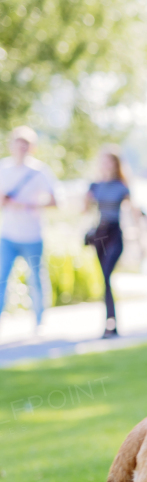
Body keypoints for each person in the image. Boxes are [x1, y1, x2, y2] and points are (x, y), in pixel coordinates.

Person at [0, 126, 58, 334]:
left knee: (36, 278)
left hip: (32, 235)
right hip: (8, 235)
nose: (21, 147)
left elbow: (54, 201)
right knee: (2, 279)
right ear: (12, 144)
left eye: (26, 144)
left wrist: (28, 206)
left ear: (31, 147)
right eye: (18, 143)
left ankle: (40, 320)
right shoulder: (3, 168)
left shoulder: (39, 171)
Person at [84, 146, 132, 338]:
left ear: (116, 164)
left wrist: (140, 237)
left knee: (106, 275)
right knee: (105, 279)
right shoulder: (94, 186)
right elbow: (85, 211)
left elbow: (133, 211)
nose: (106, 165)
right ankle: (110, 324)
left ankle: (110, 323)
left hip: (115, 234)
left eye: (110, 161)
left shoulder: (122, 186)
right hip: (100, 235)